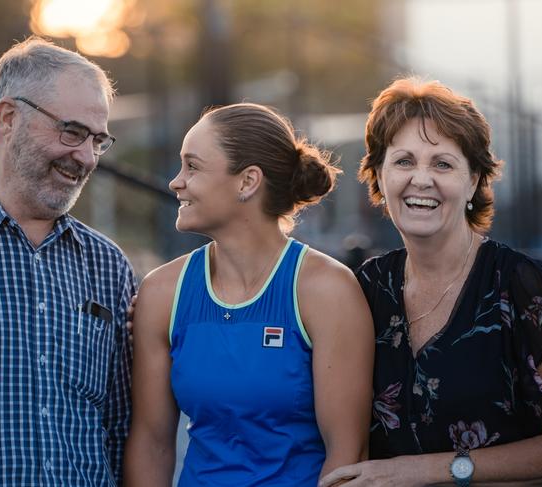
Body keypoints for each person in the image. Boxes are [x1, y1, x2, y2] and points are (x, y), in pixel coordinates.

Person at [319, 77, 542, 486]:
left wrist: (426, 471)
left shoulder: (520, 285)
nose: (422, 179)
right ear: (379, 178)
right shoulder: (364, 289)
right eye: (404, 161)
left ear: (474, 180)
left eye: (442, 163)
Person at [123, 103, 374, 486]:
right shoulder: (161, 292)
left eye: (193, 166)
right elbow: (152, 443)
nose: (176, 181)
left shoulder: (328, 290)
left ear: (247, 182)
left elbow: (347, 456)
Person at [0, 38, 135, 486]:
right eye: (72, 132)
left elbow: (121, 427)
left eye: (98, 140)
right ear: (8, 117)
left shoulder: (108, 265)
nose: (86, 157)